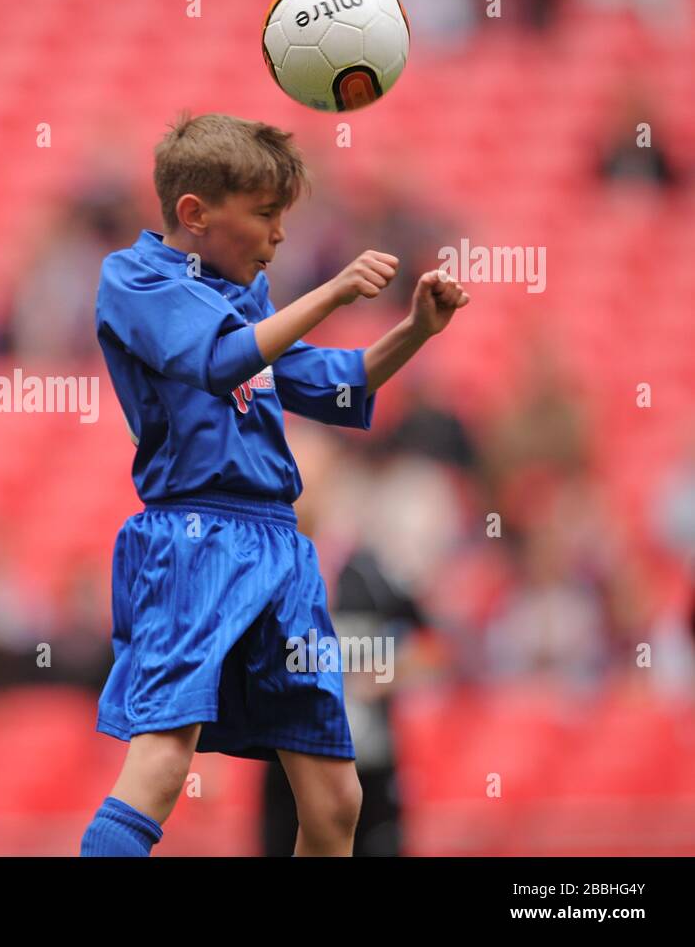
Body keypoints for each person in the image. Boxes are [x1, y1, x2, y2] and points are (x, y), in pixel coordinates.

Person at [80, 113, 469, 857]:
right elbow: (219, 361)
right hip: (196, 538)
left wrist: (415, 329)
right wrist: (331, 293)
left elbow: (336, 383)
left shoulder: (248, 304)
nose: (279, 234)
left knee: (334, 799)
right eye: (264, 215)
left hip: (280, 549)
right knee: (162, 762)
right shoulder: (133, 279)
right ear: (194, 214)